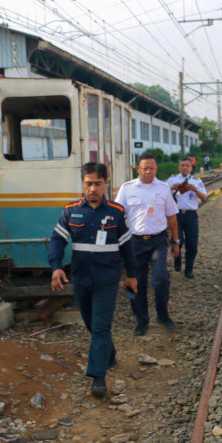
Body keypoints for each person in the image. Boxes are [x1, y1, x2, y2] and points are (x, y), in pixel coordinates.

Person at [48, 162, 137, 398]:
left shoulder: (116, 212)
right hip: (81, 279)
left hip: (107, 280)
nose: (93, 188)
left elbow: (128, 247)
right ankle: (109, 353)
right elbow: (57, 239)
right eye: (89, 183)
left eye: (98, 183)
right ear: (83, 183)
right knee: (91, 324)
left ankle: (98, 377)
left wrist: (133, 275)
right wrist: (56, 267)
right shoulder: (71, 210)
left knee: (100, 326)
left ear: (106, 183)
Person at [115, 152, 180, 335]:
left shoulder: (163, 188)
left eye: (151, 168)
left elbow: (172, 217)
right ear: (138, 169)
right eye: (144, 168)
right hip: (134, 243)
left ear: (156, 169)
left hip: (158, 241)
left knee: (160, 278)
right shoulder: (127, 189)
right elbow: (118, 216)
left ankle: (163, 315)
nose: (148, 171)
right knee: (138, 281)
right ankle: (141, 320)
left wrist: (175, 242)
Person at [167, 157, 208, 278]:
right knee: (177, 241)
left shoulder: (196, 181)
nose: (185, 167)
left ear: (191, 168)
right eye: (182, 165)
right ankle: (177, 258)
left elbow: (204, 198)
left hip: (191, 215)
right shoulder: (172, 179)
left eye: (187, 166)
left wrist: (195, 190)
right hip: (176, 215)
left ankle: (189, 269)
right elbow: (161, 196)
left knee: (192, 244)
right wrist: (171, 189)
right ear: (179, 167)